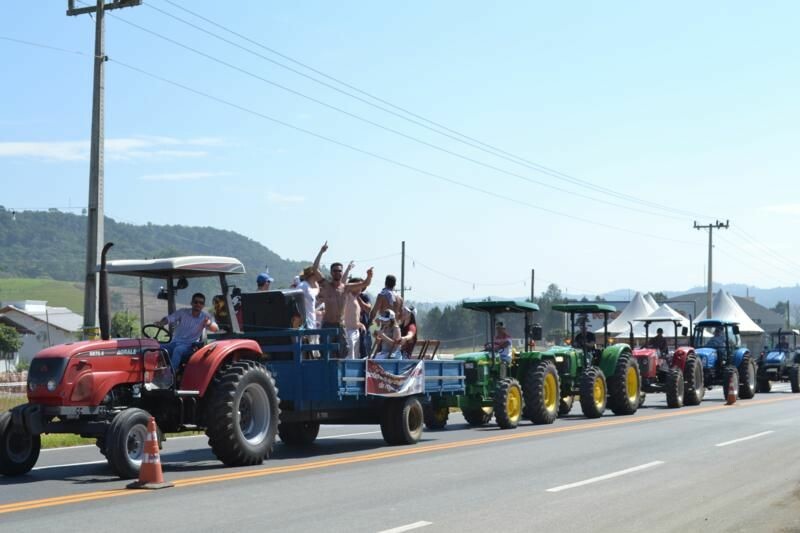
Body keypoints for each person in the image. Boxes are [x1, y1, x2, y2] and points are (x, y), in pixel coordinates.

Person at [158, 292, 218, 372]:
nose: (198, 304)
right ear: (192, 303)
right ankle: (154, 372)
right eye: (196, 302)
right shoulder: (183, 312)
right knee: (157, 348)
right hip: (175, 342)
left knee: (178, 350)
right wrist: (161, 323)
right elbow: (169, 318)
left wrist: (208, 323)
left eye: (201, 303)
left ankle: (170, 375)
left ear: (203, 305)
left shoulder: (205, 317)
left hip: (190, 346)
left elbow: (215, 329)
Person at [297, 242, 327, 356]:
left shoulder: (310, 287)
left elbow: (315, 292)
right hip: (306, 323)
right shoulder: (303, 286)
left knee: (315, 352)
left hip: (312, 323)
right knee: (310, 352)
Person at [337, 268, 374, 359]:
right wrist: (348, 269)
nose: (360, 287)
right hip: (348, 332)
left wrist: (360, 324)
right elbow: (342, 284)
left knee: (357, 357)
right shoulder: (347, 295)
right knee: (349, 357)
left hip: (356, 331)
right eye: (358, 285)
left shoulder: (356, 298)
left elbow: (357, 315)